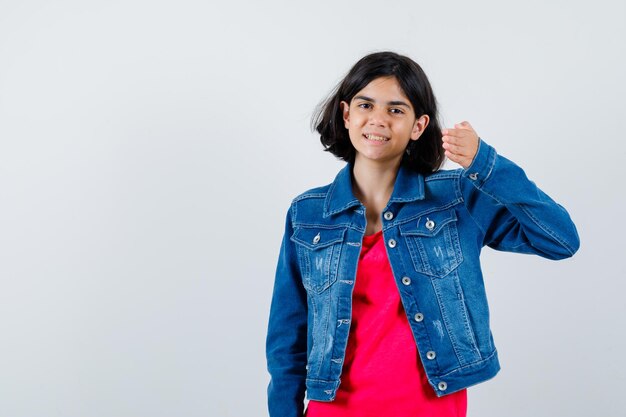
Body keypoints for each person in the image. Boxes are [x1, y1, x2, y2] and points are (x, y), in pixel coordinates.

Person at [265, 51, 580, 417]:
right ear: (347, 113)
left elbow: (561, 240)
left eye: (396, 110)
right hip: (334, 408)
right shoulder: (307, 213)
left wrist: (486, 164)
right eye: (366, 105)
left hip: (429, 406)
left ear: (418, 125)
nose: (378, 119)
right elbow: (287, 336)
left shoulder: (456, 199)